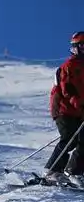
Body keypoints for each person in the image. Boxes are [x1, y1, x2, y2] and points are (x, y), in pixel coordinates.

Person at [44, 31, 84, 186]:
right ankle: (53, 171)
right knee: (69, 139)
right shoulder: (69, 66)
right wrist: (80, 105)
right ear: (75, 48)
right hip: (64, 110)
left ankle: (74, 172)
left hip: (79, 112)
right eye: (82, 46)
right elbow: (68, 90)